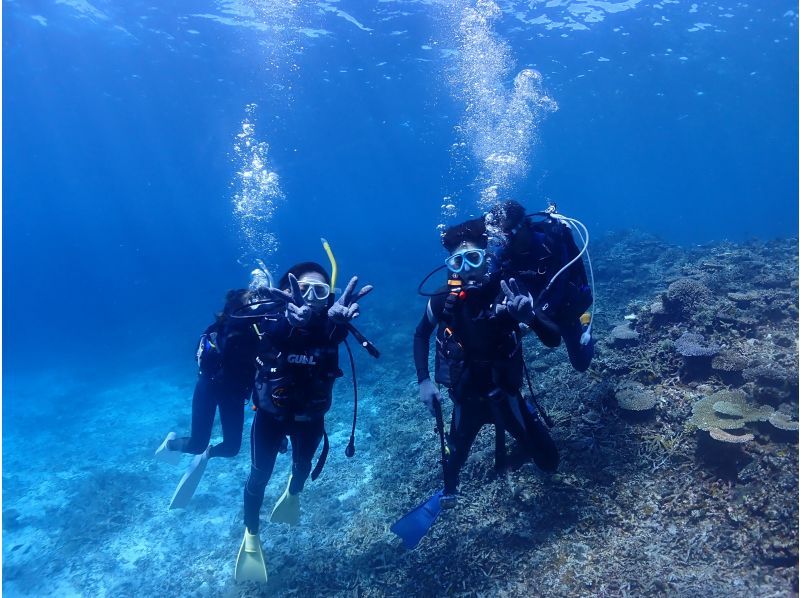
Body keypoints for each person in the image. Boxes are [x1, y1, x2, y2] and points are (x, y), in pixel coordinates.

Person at [234, 262, 372, 584]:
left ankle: (292, 495)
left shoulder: (332, 326)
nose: (310, 299)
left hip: (310, 419)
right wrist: (286, 321)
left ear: (329, 298)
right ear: (284, 296)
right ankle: (252, 534)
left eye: (319, 292)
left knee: (302, 469)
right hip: (270, 418)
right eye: (301, 290)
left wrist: (335, 325)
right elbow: (277, 336)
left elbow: (332, 333)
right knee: (259, 475)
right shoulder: (270, 323)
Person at [413, 218, 560, 505]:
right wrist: (423, 380)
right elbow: (420, 335)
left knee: (550, 462)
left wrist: (529, 316)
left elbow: (553, 339)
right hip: (465, 401)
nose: (465, 268)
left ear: (486, 256)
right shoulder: (443, 300)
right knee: (451, 476)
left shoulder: (509, 290)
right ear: (449, 265)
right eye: (457, 262)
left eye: (473, 258)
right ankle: (450, 490)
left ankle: (520, 451)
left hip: (506, 396)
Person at [154, 288, 262, 509]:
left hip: (233, 394)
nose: (256, 305)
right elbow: (234, 335)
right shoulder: (227, 327)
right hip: (209, 388)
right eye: (251, 301)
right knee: (196, 444)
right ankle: (171, 444)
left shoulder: (259, 330)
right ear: (236, 307)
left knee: (232, 448)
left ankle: (208, 453)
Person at [485, 200, 595, 372]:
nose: (503, 242)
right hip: (531, 307)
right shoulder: (502, 254)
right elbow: (491, 286)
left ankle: (584, 323)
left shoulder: (551, 242)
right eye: (499, 237)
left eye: (507, 235)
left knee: (581, 364)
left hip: (562, 306)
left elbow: (560, 287)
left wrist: (531, 317)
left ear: (522, 225)